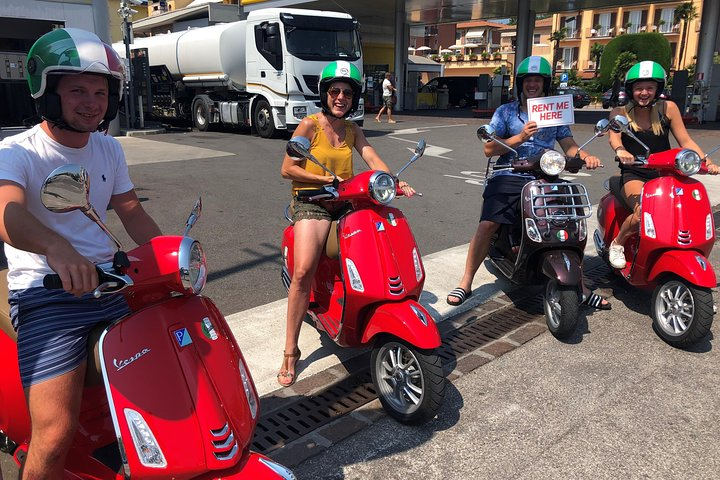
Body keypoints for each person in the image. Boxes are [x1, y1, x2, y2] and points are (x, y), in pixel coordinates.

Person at [0, 28, 162, 478]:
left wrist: (170, 255)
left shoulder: (108, 149)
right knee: (53, 436)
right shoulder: (17, 152)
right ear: (48, 93)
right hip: (48, 292)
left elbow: (132, 214)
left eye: (100, 91)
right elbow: (6, 212)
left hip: (114, 282)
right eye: (77, 91)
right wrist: (56, 248)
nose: (92, 101)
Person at [279, 61, 415, 387]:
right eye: (335, 91)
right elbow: (287, 168)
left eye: (347, 93)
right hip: (312, 204)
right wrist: (320, 177)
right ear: (325, 94)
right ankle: (289, 351)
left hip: (346, 201)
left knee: (379, 242)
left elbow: (370, 156)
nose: (341, 97)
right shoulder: (309, 126)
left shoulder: (352, 130)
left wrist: (394, 181)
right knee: (303, 271)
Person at [446, 56, 610, 310]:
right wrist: (520, 137)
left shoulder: (554, 112)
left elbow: (568, 145)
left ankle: (580, 284)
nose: (533, 84)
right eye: (528, 80)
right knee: (489, 223)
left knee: (569, 222)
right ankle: (466, 281)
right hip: (510, 173)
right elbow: (489, 149)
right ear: (520, 83)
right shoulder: (506, 112)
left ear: (545, 84)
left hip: (545, 175)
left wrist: (586, 156)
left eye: (538, 80)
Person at [606, 61, 719, 269]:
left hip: (666, 174)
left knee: (687, 211)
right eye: (639, 88)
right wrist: (621, 151)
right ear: (631, 90)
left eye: (650, 87)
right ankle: (618, 243)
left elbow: (685, 141)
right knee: (644, 213)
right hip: (635, 174)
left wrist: (706, 161)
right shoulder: (619, 112)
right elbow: (615, 138)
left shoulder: (668, 109)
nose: (644, 92)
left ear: (658, 89)